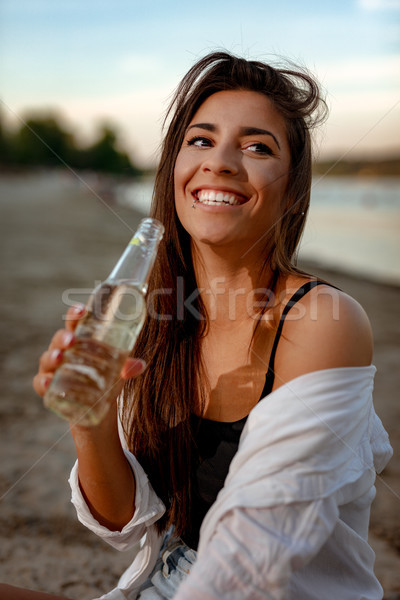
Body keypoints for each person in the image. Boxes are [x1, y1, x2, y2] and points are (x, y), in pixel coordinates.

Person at [1, 51, 392, 600]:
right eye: (201, 140)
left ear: (294, 192)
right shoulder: (157, 317)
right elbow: (125, 522)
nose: (221, 162)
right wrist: (92, 421)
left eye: (258, 146)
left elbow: (256, 555)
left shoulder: (322, 322)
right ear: (175, 169)